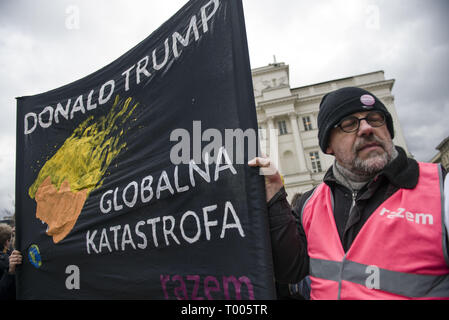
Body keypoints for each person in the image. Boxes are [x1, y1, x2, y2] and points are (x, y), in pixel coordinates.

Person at [249, 86, 449, 299]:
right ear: (328, 146)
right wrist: (274, 194)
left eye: (375, 118)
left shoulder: (440, 188)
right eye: (349, 124)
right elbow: (290, 270)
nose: (366, 128)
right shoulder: (310, 203)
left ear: (389, 130)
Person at [0, 223, 22, 300]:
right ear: (7, 242)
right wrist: (10, 272)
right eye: (11, 237)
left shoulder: (9, 256)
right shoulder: (7, 260)